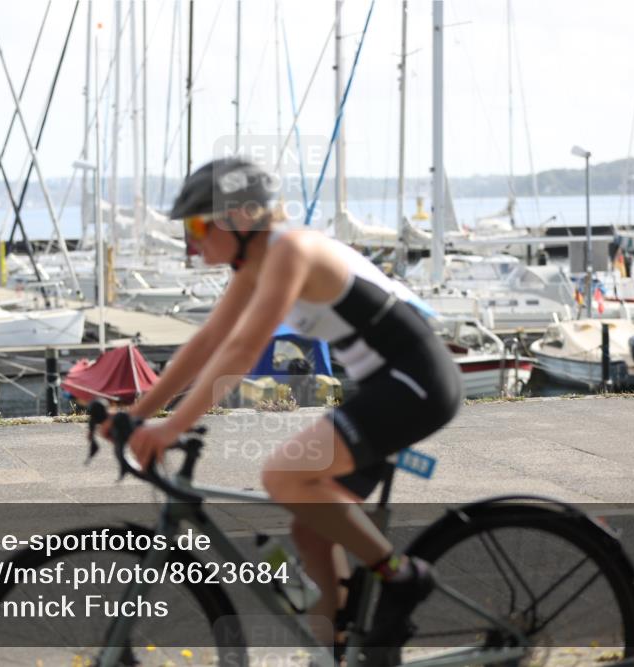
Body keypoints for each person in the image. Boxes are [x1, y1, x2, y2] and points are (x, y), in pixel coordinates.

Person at [114, 157, 463, 657]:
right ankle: (336, 650)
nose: (191, 241)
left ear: (238, 220)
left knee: (283, 475)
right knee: (310, 527)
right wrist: (138, 414)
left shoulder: (291, 251)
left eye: (196, 224)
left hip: (415, 381)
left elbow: (238, 352)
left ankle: (401, 577)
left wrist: (170, 430)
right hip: (388, 383)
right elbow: (209, 341)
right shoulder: (257, 263)